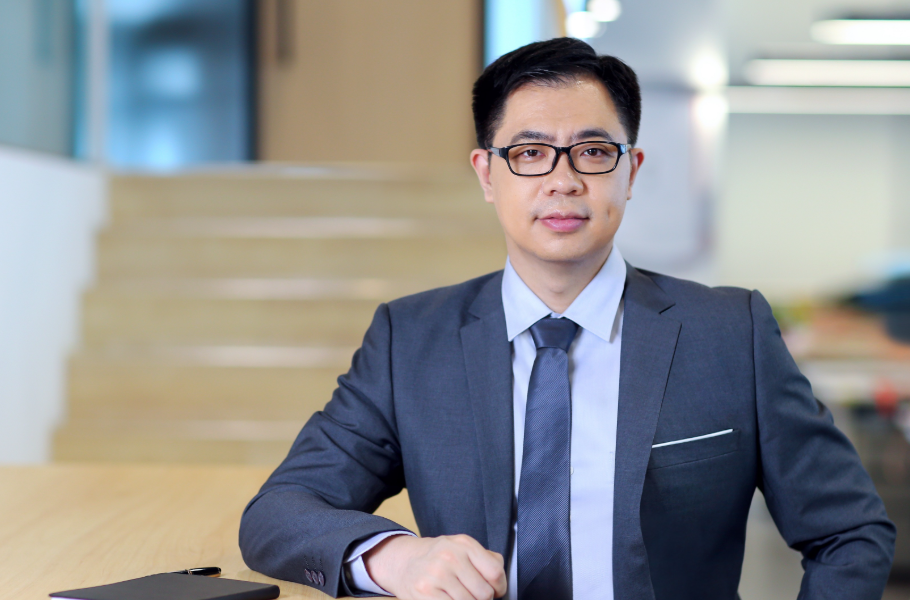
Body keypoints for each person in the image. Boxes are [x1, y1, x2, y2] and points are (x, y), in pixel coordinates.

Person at [239, 37, 895, 600]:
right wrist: (396, 557)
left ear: (630, 171)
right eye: (529, 153)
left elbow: (850, 532)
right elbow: (278, 514)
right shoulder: (410, 341)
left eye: (593, 151)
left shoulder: (730, 334)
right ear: (487, 174)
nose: (563, 180)